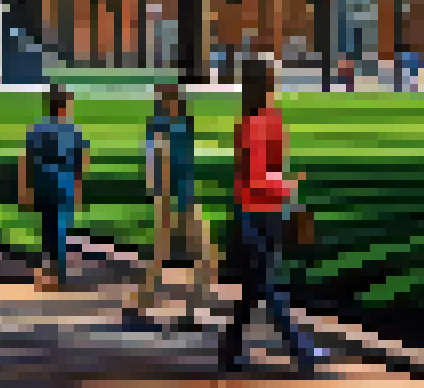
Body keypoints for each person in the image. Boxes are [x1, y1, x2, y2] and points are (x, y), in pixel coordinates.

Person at [221, 58, 328, 375]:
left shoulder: (255, 121)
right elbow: (257, 178)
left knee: (254, 288)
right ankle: (302, 352)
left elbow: (262, 173)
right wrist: (288, 184)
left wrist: (282, 183)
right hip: (259, 214)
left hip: (257, 212)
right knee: (270, 286)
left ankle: (230, 353)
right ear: (266, 83)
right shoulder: (259, 124)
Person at [125, 83, 220, 333]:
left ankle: (184, 310)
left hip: (184, 198)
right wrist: (163, 197)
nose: (175, 100)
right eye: (170, 97)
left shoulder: (183, 124)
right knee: (176, 256)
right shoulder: (160, 126)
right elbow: (158, 163)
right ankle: (148, 309)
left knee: (197, 254)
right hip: (170, 200)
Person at [19, 86, 91, 290]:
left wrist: (24, 189)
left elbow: (26, 161)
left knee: (48, 230)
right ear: (65, 106)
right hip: (64, 185)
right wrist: (79, 190)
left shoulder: (37, 129)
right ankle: (58, 275)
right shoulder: (73, 131)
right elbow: (81, 164)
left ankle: (51, 274)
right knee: (60, 231)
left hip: (44, 184)